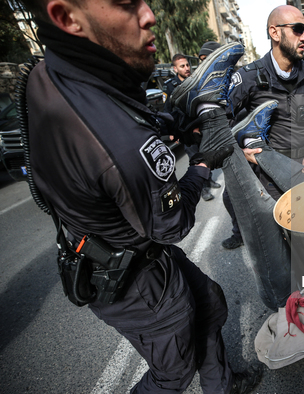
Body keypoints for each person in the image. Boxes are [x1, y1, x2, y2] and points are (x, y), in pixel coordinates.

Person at [21, 0, 261, 392]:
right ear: (67, 17)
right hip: (133, 279)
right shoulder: (119, 143)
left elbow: (113, 110)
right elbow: (173, 224)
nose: (149, 14)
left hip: (134, 246)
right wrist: (202, 163)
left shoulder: (54, 71)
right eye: (125, 4)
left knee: (210, 305)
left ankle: (223, 385)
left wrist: (171, 118)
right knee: (172, 373)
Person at [227, 4, 304, 201]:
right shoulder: (248, 77)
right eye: (297, 30)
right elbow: (220, 122)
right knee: (274, 230)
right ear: (275, 32)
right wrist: (241, 151)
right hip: (268, 177)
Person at [166, 52, 221, 202]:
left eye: (187, 65)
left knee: (207, 154)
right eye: (182, 66)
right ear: (175, 69)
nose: (186, 68)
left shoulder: (196, 81)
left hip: (201, 127)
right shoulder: (170, 87)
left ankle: (209, 180)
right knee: (196, 159)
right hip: (186, 130)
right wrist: (172, 131)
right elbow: (169, 112)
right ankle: (203, 188)